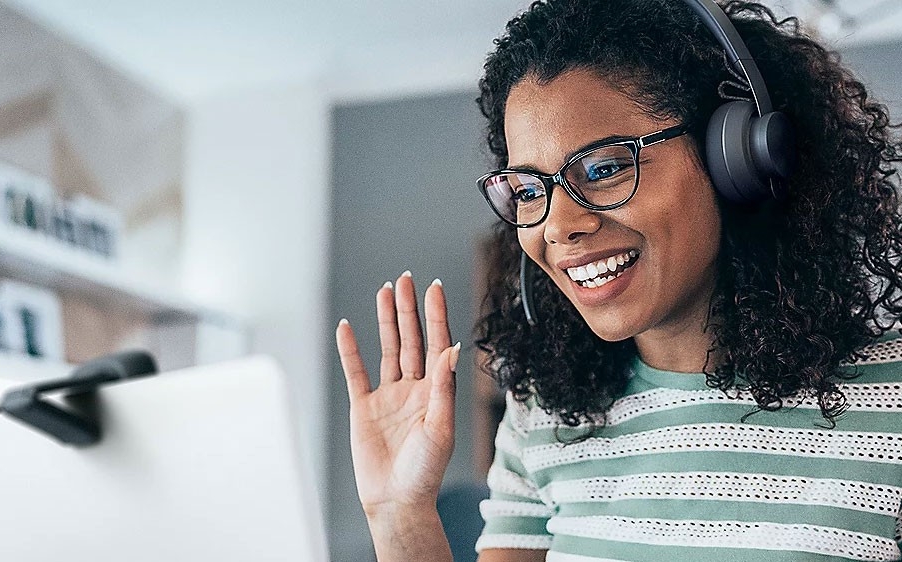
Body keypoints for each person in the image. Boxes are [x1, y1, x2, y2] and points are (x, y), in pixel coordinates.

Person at [335, 0, 902, 560]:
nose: (558, 226)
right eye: (530, 191)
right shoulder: (544, 419)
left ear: (733, 157)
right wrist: (400, 515)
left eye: (604, 168)